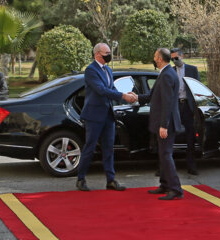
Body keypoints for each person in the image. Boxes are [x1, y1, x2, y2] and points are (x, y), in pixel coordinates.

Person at [76, 43, 136, 191]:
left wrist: (127, 95)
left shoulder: (108, 69)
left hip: (108, 115)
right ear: (97, 54)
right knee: (89, 148)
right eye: (107, 53)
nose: (109, 55)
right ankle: (81, 179)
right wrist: (123, 96)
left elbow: (112, 89)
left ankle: (111, 180)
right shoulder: (91, 70)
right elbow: (101, 90)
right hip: (94, 116)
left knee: (109, 149)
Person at [137, 48, 183, 200]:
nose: (154, 58)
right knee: (162, 155)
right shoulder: (165, 74)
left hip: (166, 124)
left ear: (161, 59)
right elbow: (152, 97)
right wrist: (135, 97)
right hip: (163, 123)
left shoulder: (167, 75)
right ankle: (164, 184)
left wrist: (164, 125)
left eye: (155, 56)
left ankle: (175, 188)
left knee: (166, 154)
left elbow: (167, 102)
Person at [170, 48, 200, 175]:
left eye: (176, 58)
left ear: (182, 56)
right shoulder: (170, 71)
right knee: (170, 135)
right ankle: (165, 167)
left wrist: (196, 108)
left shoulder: (192, 70)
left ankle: (191, 165)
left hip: (187, 105)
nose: (174, 61)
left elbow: (197, 88)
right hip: (174, 105)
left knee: (190, 136)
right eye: (172, 59)